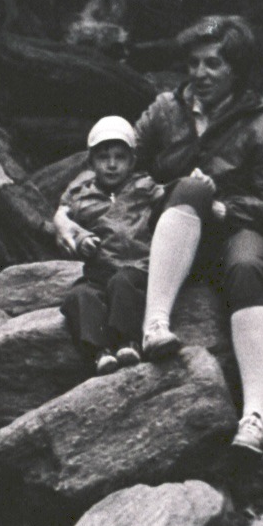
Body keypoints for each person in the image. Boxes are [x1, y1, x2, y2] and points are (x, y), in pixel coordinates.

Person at [134, 15, 263, 456]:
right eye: (194, 63)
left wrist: (224, 206)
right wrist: (166, 191)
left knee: (245, 267)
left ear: (236, 69)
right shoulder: (165, 109)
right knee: (190, 187)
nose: (199, 74)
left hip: (235, 229)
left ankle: (255, 418)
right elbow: (125, 167)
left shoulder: (262, 124)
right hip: (172, 228)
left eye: (213, 65)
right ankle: (155, 325)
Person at [53, 115, 164, 374]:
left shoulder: (145, 187)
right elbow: (65, 226)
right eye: (104, 158)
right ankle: (99, 352)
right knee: (79, 295)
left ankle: (129, 342)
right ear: (91, 162)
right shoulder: (81, 197)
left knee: (123, 284)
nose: (112, 165)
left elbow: (171, 203)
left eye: (120, 157)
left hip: (139, 267)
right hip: (99, 271)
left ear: (133, 161)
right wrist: (81, 240)